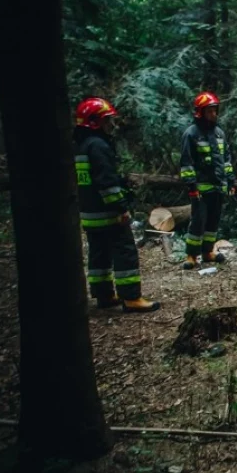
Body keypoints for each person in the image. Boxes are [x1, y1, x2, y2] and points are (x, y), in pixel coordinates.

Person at [73, 97, 160, 313]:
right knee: (125, 251)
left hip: (89, 212)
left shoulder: (80, 146)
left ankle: (103, 294)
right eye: (106, 121)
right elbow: (107, 184)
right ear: (94, 122)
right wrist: (121, 208)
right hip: (107, 212)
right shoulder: (98, 146)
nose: (110, 125)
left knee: (99, 253)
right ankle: (131, 297)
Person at [179, 91, 235, 269]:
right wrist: (191, 186)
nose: (213, 114)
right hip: (200, 189)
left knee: (213, 221)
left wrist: (230, 181)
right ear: (200, 112)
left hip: (218, 187)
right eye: (209, 111)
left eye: (215, 110)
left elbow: (226, 159)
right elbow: (186, 163)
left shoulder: (219, 133)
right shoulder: (191, 134)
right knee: (198, 221)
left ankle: (207, 251)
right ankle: (191, 255)